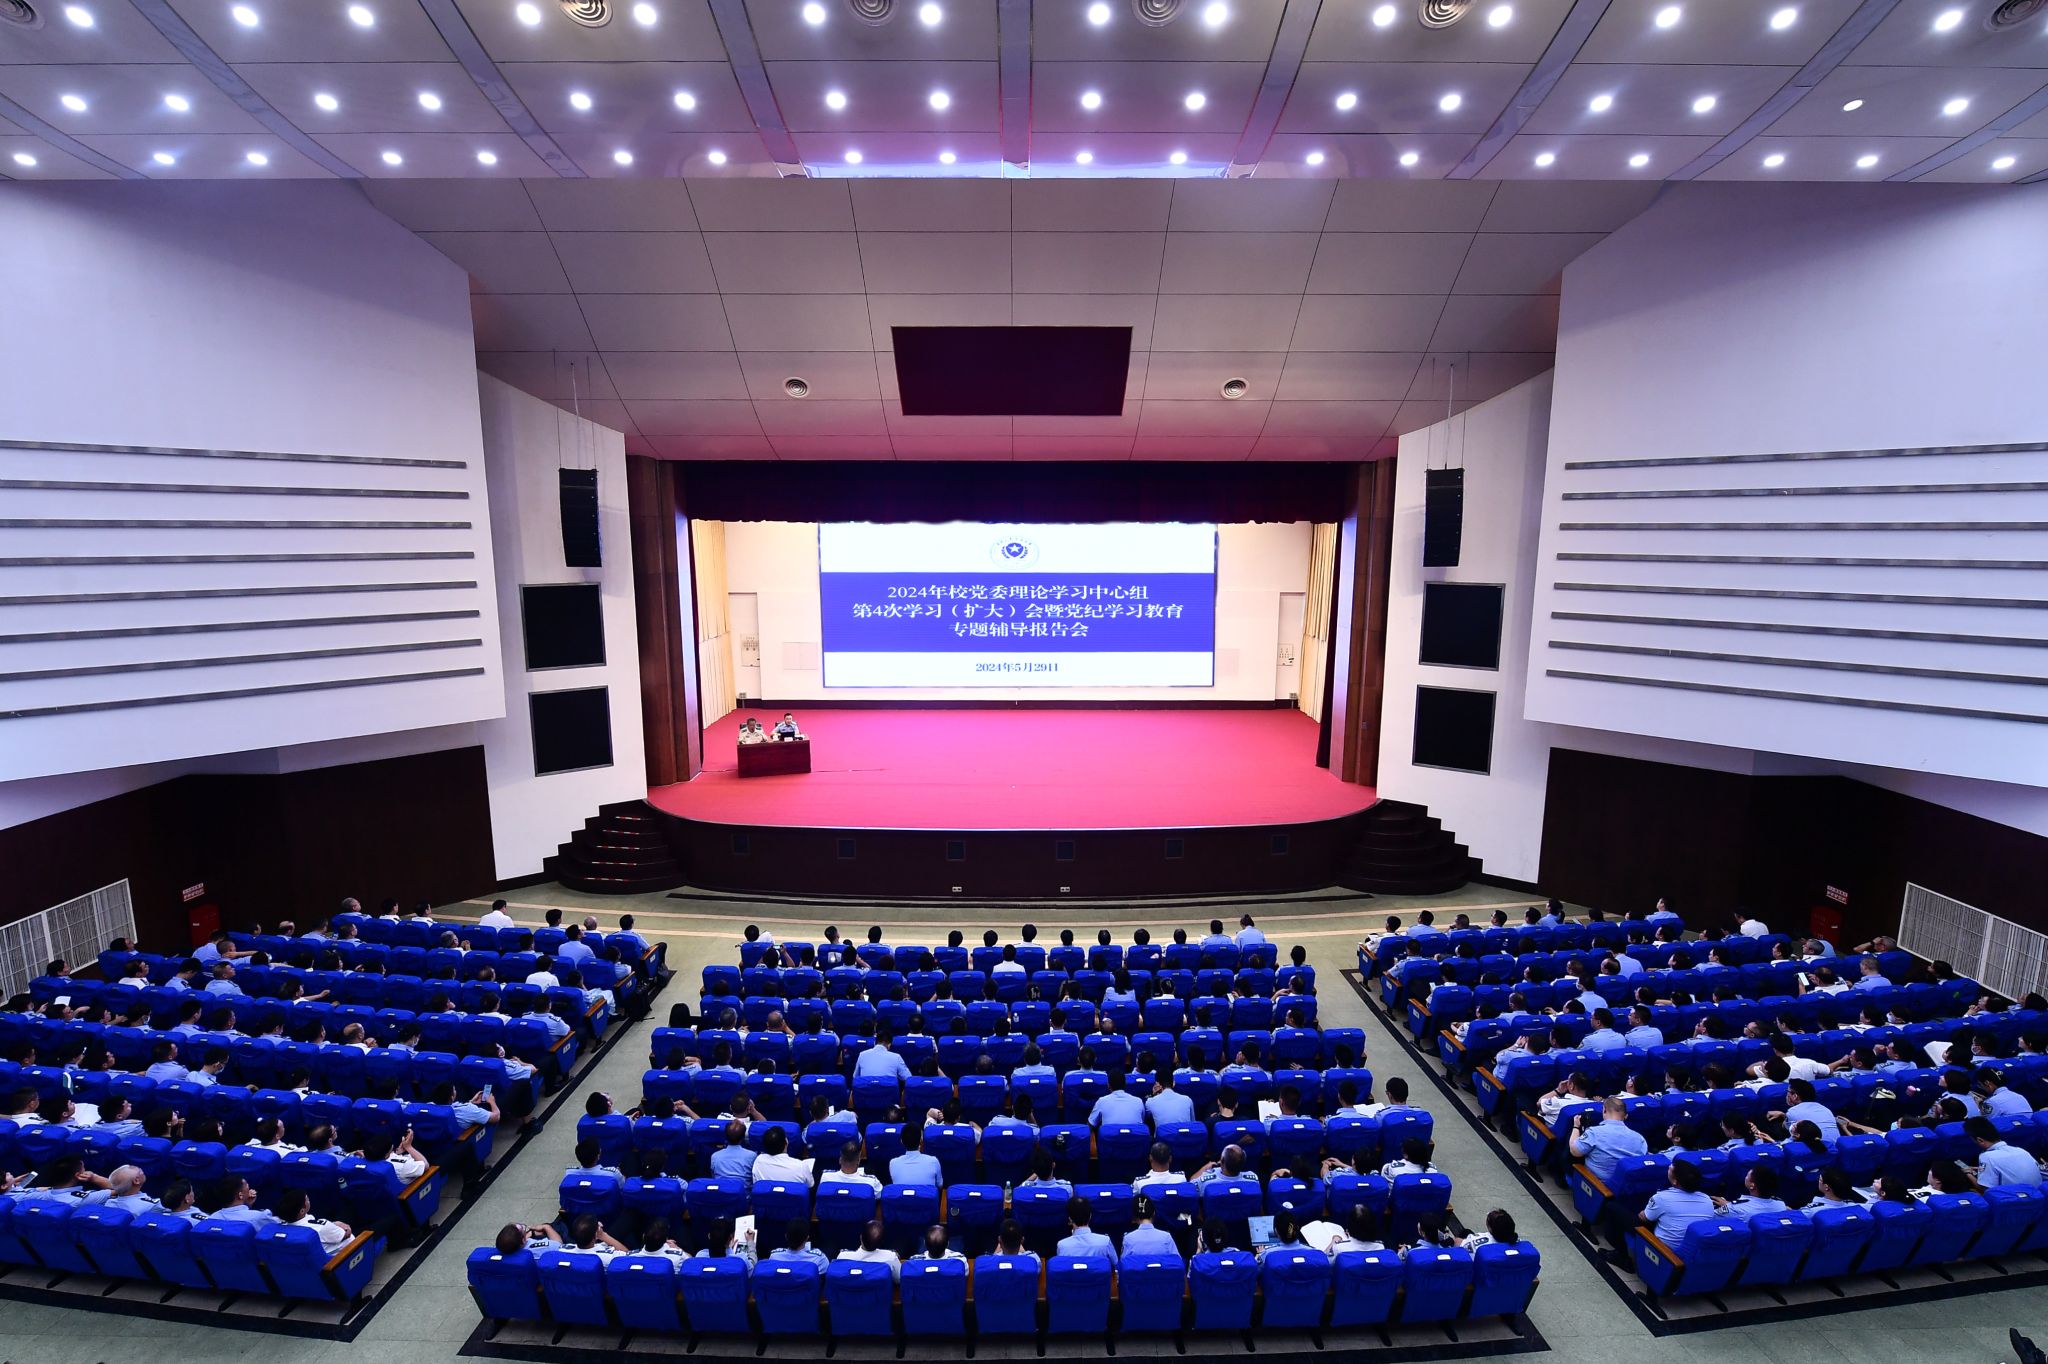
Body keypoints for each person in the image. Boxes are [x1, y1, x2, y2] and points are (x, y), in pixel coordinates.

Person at [1571, 1096, 1649, 1182]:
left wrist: (1576, 1126)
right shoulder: (1640, 1138)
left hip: (1597, 1185)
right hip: (1628, 1185)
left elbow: (1575, 1151)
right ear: (1626, 1116)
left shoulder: (1594, 1132)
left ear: (1604, 1110)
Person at [1968, 1116, 2043, 1188]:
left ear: (1980, 1140)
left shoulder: (1987, 1157)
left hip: (2014, 1196)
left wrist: (1968, 1173)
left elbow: (1986, 1189)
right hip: (2038, 1194)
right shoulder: (2021, 1150)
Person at [276, 1187, 353, 1252]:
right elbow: (346, 1234)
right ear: (302, 1211)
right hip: (341, 1258)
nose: (309, 1200)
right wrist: (342, 1226)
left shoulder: (278, 1230)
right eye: (307, 1199)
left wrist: (333, 1224)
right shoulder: (321, 1227)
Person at [1055, 1196, 1115, 1261]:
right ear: (1090, 1216)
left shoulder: (1062, 1246)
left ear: (1070, 1219)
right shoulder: (1105, 1242)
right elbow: (1115, 1264)